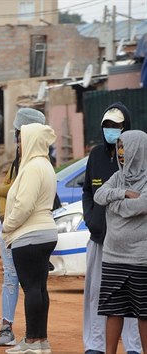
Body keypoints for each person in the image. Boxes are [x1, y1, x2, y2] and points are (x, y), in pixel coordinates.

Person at [82, 103, 142, 354]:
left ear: (126, 126)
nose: (111, 130)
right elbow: (90, 192)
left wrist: (115, 202)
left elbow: (138, 200)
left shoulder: (138, 157)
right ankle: (94, 346)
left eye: (116, 126)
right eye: (107, 126)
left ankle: (133, 348)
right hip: (100, 240)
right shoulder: (96, 155)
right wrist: (90, 219)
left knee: (134, 301)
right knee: (98, 296)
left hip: (132, 246)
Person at [2, 122, 57, 354]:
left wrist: (7, 224)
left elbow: (24, 205)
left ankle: (33, 341)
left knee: (32, 289)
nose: (19, 145)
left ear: (32, 141)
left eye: (22, 140)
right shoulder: (45, 165)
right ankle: (40, 340)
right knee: (39, 289)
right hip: (44, 232)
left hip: (29, 235)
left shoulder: (33, 167)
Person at [0, 107, 46, 347]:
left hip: (22, 230)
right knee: (13, 277)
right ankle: (10, 327)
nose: (16, 138)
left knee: (29, 283)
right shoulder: (20, 161)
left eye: (18, 133)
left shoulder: (34, 163)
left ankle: (33, 335)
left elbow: (13, 192)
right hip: (13, 226)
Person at [93, 130, 147, 354]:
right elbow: (98, 195)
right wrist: (123, 193)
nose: (121, 153)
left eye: (125, 148)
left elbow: (141, 206)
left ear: (138, 149)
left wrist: (113, 203)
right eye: (119, 148)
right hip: (113, 256)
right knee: (113, 311)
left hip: (140, 259)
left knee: (144, 313)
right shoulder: (118, 177)